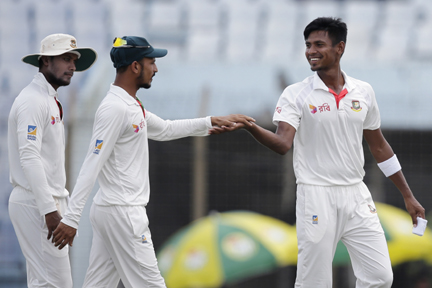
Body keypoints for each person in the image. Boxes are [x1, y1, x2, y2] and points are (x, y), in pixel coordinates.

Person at [52, 36, 254, 287]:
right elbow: (91, 164)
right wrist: (71, 219)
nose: (156, 69)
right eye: (151, 62)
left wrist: (211, 122)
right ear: (135, 66)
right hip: (123, 213)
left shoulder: (130, 104)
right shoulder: (115, 108)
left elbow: (165, 129)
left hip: (111, 210)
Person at [242, 17, 425, 287]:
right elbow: (283, 144)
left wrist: (408, 196)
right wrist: (250, 127)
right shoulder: (296, 94)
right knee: (314, 282)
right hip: (316, 194)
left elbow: (379, 146)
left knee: (380, 277)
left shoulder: (363, 92)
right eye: (307, 45)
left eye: (319, 44)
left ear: (340, 48)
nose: (311, 51)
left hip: (356, 194)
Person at [8, 33, 97, 287]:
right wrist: (49, 210)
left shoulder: (47, 98)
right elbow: (29, 155)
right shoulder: (32, 100)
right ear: (45, 61)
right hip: (37, 203)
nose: (73, 66)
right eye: (66, 59)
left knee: (43, 282)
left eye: (74, 60)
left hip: (43, 202)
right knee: (57, 284)